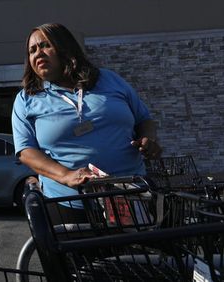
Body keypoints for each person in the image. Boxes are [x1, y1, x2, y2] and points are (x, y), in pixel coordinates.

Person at [12, 23, 161, 224]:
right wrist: (66, 175)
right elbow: (25, 151)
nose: (38, 53)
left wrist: (147, 138)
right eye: (32, 50)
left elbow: (144, 119)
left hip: (132, 193)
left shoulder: (109, 80)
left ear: (65, 47)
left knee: (139, 254)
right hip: (69, 202)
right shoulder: (27, 99)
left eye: (45, 45)